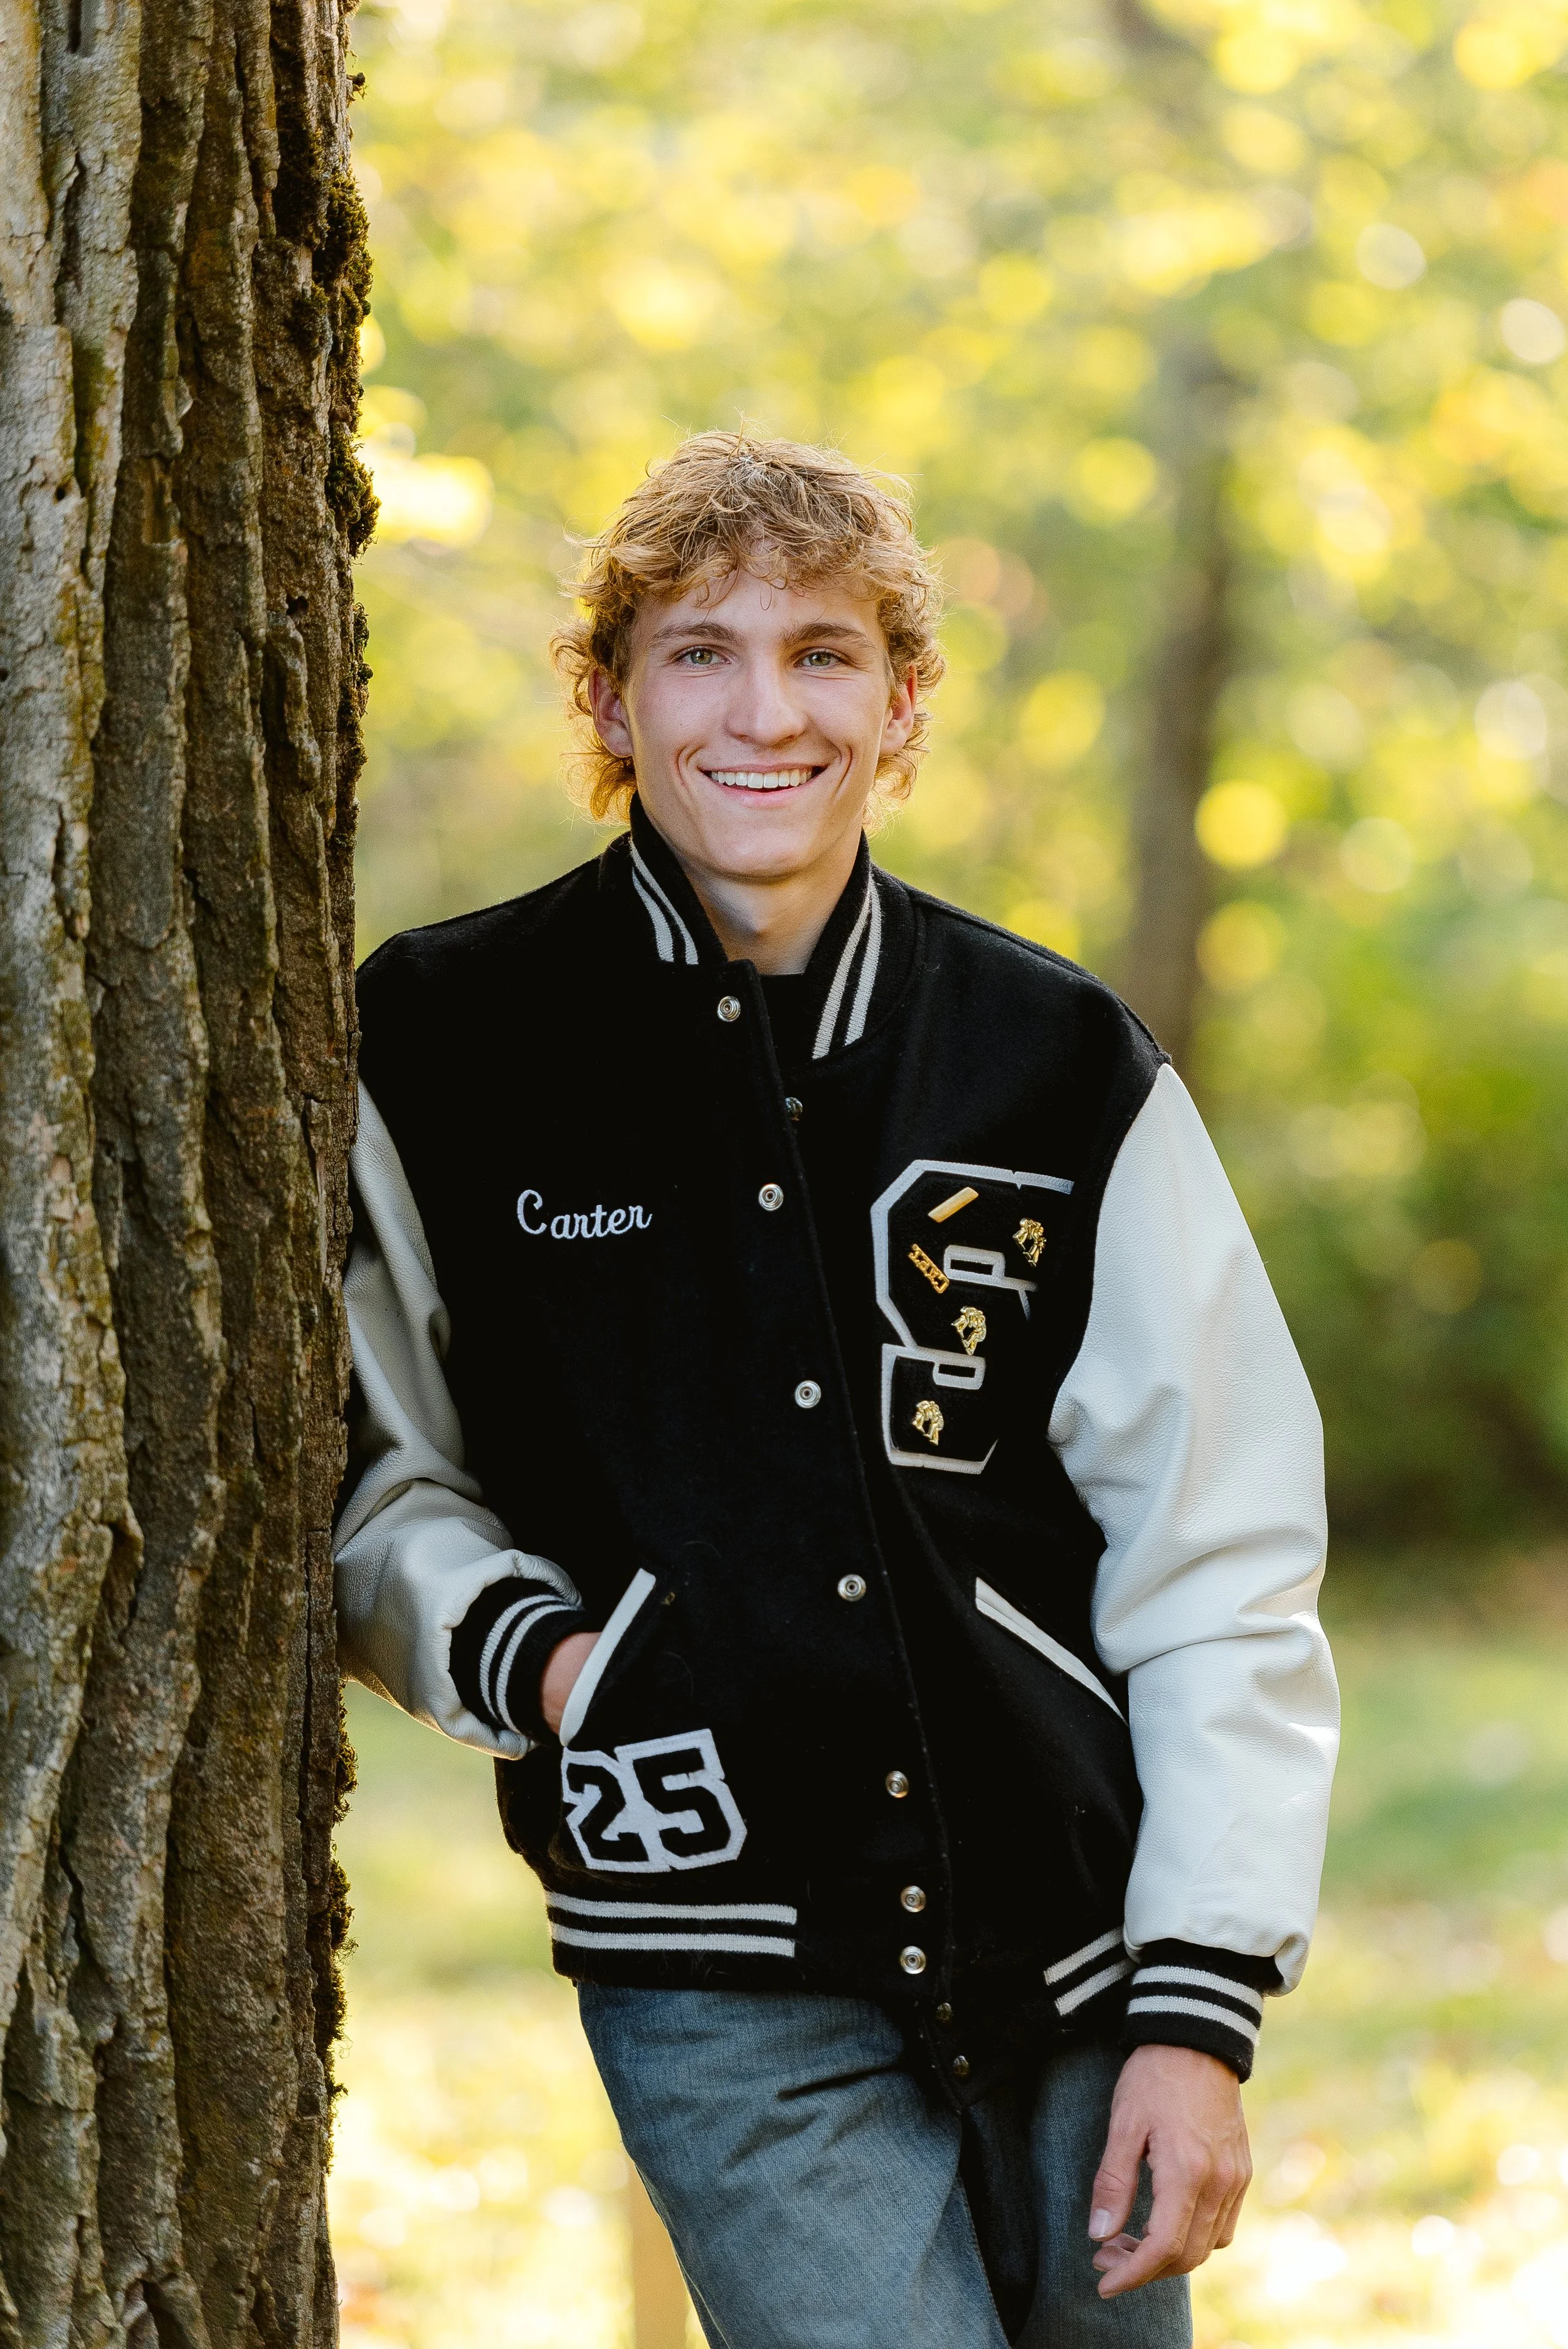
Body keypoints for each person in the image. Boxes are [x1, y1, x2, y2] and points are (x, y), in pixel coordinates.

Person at [335, 432, 1338, 2348]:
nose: (761, 709)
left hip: (1080, 1939)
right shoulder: (448, 1044)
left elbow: (1219, 1540)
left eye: (821, 652)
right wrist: (559, 1667)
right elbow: (374, 1474)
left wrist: (1194, 2008)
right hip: (712, 1951)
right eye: (697, 651)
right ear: (612, 698)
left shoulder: (1054, 1062)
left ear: (899, 705)